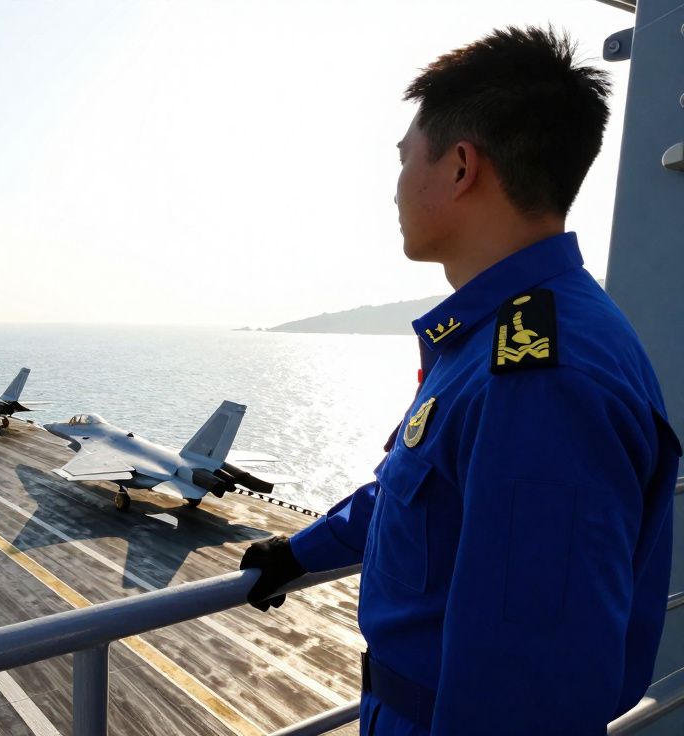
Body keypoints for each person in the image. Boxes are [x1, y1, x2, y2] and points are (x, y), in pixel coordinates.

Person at [239, 26, 680, 736]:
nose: (394, 189)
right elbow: (419, 494)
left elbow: (527, 696)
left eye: (405, 157)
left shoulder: (540, 380)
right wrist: (298, 551)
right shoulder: (507, 339)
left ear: (460, 167)